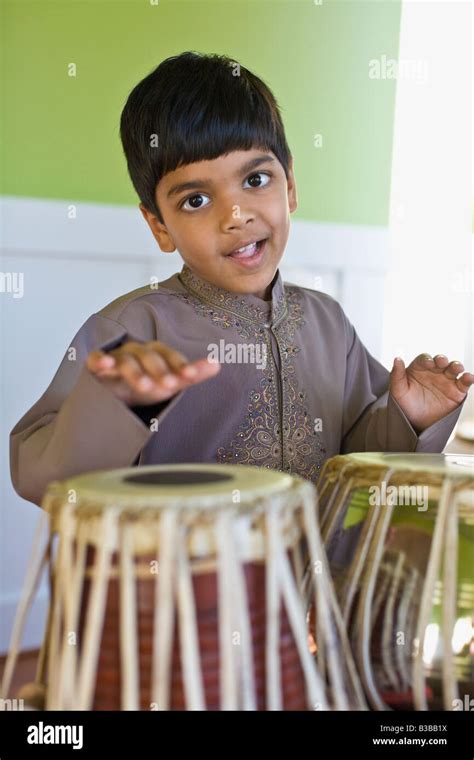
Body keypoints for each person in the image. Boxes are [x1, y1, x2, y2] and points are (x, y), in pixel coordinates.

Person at [10, 52, 473, 508]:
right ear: (158, 226)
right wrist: (115, 405)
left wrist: (408, 416)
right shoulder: (131, 330)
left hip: (313, 580)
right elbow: (41, 474)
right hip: (182, 580)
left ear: (289, 185)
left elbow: (354, 454)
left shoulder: (327, 322)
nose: (236, 216)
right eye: (195, 200)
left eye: (255, 180)